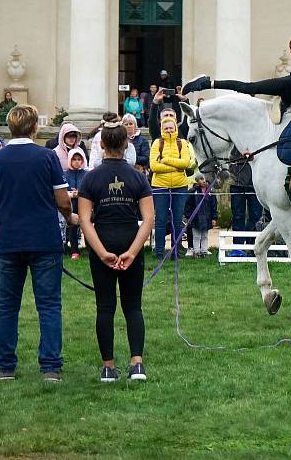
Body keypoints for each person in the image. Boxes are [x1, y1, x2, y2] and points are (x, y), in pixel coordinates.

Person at [0, 104, 78, 382]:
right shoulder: (47, 157)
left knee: (7, 305)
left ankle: (6, 367)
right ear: (35, 127)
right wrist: (68, 217)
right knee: (48, 305)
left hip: (9, 239)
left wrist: (8, 215)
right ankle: (50, 367)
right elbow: (62, 200)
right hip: (44, 238)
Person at [78, 119, 154, 382]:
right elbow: (149, 219)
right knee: (133, 307)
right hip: (130, 240)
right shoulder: (137, 176)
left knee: (105, 307)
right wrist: (133, 251)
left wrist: (100, 252)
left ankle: (108, 366)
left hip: (103, 243)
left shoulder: (90, 178)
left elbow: (85, 220)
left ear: (101, 145)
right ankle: (137, 364)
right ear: (126, 144)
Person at [149, 114, 191, 260]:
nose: (168, 130)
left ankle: (175, 251)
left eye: (170, 127)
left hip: (180, 186)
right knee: (160, 220)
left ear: (175, 128)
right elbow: (154, 166)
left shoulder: (182, 143)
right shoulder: (156, 143)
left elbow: (185, 163)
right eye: (165, 128)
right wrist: (176, 167)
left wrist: (165, 160)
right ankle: (159, 252)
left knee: (178, 220)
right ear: (162, 128)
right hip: (160, 186)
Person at [228, 147, 263, 255]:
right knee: (238, 216)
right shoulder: (234, 142)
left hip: (254, 184)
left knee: (256, 216)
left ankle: (252, 244)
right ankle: (238, 247)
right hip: (237, 183)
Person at [184, 175, 218, 258]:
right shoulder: (193, 192)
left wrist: (214, 218)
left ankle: (204, 251)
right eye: (201, 179)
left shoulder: (210, 193)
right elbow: (187, 205)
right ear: (197, 181)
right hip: (195, 219)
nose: (204, 181)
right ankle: (196, 251)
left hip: (207, 218)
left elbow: (214, 206)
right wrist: (189, 217)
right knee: (196, 236)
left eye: (206, 179)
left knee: (205, 236)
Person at [65, 147, 88, 260]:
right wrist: (72, 194)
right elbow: (63, 191)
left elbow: (88, 189)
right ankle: (74, 250)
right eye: (74, 159)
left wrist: (80, 193)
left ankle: (90, 248)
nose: (77, 161)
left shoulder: (86, 174)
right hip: (71, 205)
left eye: (79, 159)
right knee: (73, 227)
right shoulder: (65, 175)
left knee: (86, 226)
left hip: (84, 204)